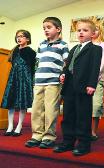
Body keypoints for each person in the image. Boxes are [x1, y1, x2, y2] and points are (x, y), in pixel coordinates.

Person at [53, 19, 102, 156]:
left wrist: (92, 84)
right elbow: (68, 65)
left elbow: (95, 68)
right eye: (79, 30)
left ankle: (83, 144)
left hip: (84, 87)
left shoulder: (95, 49)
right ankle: (68, 141)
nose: (81, 32)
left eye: (85, 30)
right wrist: (63, 74)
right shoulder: (74, 48)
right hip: (69, 86)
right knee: (68, 115)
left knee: (83, 116)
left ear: (93, 34)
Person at [25, 17, 69, 149]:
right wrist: (34, 78)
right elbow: (37, 64)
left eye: (49, 27)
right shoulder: (41, 45)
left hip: (53, 82)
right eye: (44, 28)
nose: (45, 30)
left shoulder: (63, 45)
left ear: (58, 29)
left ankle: (49, 136)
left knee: (50, 109)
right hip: (39, 81)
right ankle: (37, 135)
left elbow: (66, 63)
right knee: (37, 109)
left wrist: (63, 75)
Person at [1, 29, 36, 136]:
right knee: (10, 101)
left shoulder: (31, 52)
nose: (19, 38)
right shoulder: (14, 50)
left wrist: (31, 82)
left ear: (28, 39)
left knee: (22, 103)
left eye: (21, 36)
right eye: (17, 36)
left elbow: (32, 68)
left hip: (24, 79)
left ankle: (19, 125)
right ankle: (10, 125)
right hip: (13, 78)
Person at [91, 22, 104, 141]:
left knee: (96, 106)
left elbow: (103, 62)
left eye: (96, 29)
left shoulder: (103, 45)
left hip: (98, 79)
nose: (94, 31)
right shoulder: (86, 44)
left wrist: (96, 75)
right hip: (85, 80)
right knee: (85, 106)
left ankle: (93, 132)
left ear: (100, 31)